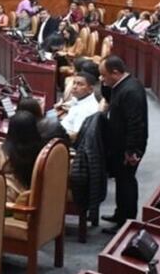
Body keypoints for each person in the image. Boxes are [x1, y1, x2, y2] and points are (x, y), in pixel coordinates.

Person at [99, 56, 148, 232]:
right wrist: (104, 84)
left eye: (104, 75)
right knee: (121, 180)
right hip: (121, 143)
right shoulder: (120, 85)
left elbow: (136, 123)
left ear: (115, 73)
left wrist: (132, 151)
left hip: (129, 146)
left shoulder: (131, 91)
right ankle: (120, 214)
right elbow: (110, 99)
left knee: (127, 182)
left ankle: (126, 222)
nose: (102, 79)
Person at [60, 72, 101, 141]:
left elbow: (77, 136)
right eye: (74, 83)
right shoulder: (79, 99)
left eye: (80, 84)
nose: (74, 87)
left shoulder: (86, 109)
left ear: (90, 89)